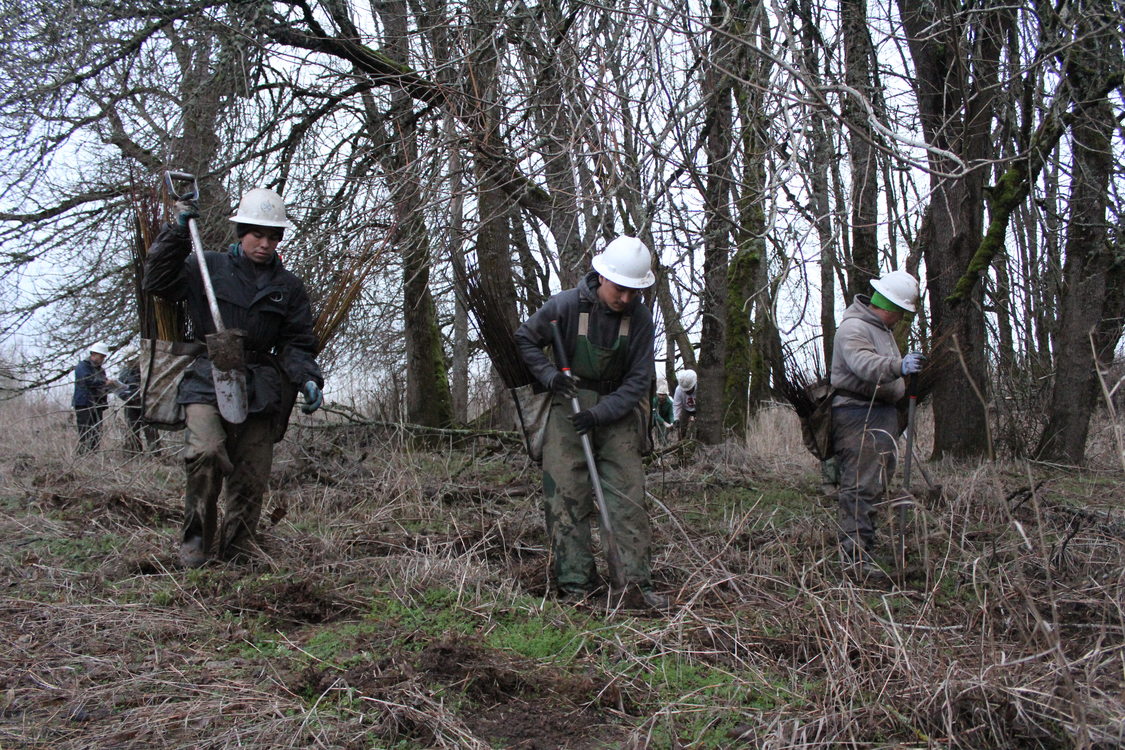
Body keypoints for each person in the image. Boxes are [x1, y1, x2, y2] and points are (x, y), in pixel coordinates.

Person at [143, 187, 324, 567]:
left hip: (260, 385)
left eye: (273, 237)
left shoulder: (288, 288)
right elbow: (157, 282)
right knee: (205, 452)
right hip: (208, 376)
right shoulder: (204, 267)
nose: (265, 243)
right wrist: (176, 233)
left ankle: (239, 553)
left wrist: (307, 377)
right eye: (257, 234)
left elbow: (297, 343)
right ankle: (196, 544)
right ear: (241, 232)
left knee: (251, 475)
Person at [515, 236, 666, 609]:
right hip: (567, 408)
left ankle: (633, 587)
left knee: (627, 499)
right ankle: (576, 588)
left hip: (617, 413)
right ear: (602, 277)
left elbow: (638, 378)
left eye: (635, 291)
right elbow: (525, 340)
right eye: (621, 289)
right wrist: (550, 377)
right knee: (566, 497)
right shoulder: (564, 305)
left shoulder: (641, 318)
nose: (627, 299)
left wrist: (600, 413)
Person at [830, 269, 925, 575]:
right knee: (860, 487)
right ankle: (854, 559)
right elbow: (864, 365)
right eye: (900, 313)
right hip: (858, 416)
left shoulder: (879, 331)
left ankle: (864, 548)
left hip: (876, 414)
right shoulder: (854, 328)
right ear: (889, 307)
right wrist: (898, 365)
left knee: (873, 485)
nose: (901, 319)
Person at [73, 341, 117, 454]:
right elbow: (87, 381)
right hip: (84, 403)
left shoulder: (101, 370)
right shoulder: (82, 366)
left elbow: (101, 385)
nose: (102, 359)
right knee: (85, 432)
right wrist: (104, 382)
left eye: (104, 357)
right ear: (93, 354)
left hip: (97, 404)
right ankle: (82, 457)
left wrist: (112, 387)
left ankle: (93, 456)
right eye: (101, 356)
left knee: (96, 433)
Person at [115, 351, 156, 453]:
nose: (132, 363)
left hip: (146, 405)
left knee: (151, 431)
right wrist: (127, 397)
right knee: (132, 431)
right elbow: (119, 389)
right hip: (130, 405)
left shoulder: (147, 369)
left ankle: (156, 454)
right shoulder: (124, 373)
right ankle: (134, 455)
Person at [672, 369, 697, 440]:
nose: (688, 392)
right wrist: (676, 418)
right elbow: (677, 405)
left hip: (700, 409)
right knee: (682, 427)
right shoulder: (678, 390)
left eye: (689, 390)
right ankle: (681, 442)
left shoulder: (700, 387)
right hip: (686, 410)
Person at [652, 381, 674, 446]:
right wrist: (663, 422)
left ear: (666, 395)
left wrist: (672, 422)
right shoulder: (654, 401)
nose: (661, 396)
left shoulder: (669, 403)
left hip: (665, 418)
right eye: (660, 394)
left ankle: (664, 446)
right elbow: (654, 413)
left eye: (663, 395)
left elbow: (671, 414)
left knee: (664, 435)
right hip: (656, 419)